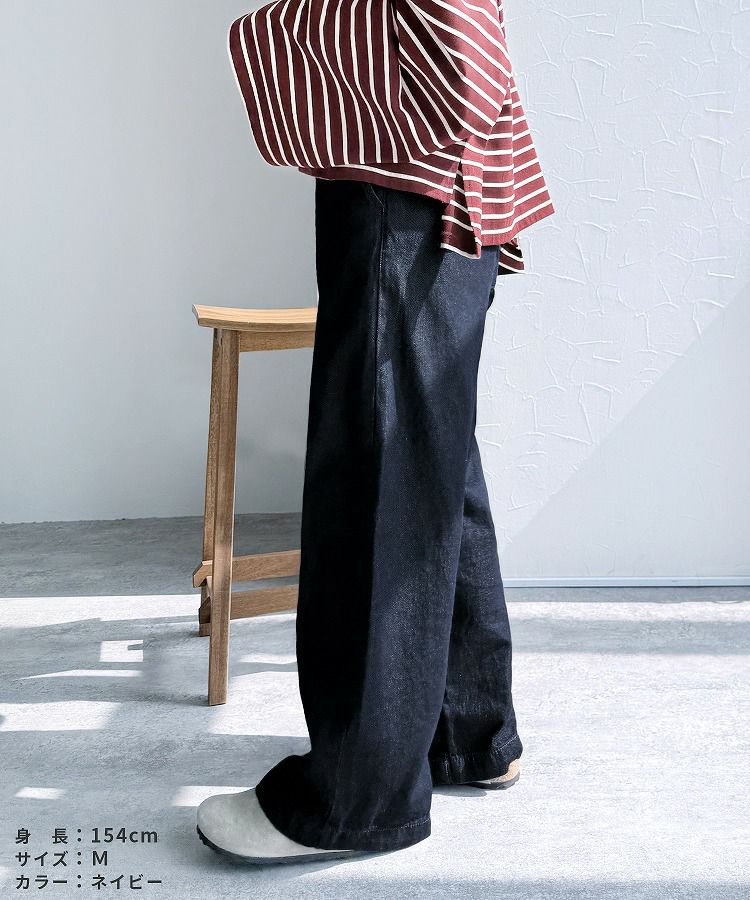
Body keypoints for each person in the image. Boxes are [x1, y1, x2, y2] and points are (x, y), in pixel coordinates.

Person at [197, 0, 555, 865]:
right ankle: (471, 732)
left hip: (407, 192)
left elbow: (459, 54)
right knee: (434, 462)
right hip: (442, 191)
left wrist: (419, 155)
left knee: (377, 471)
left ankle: (354, 798)